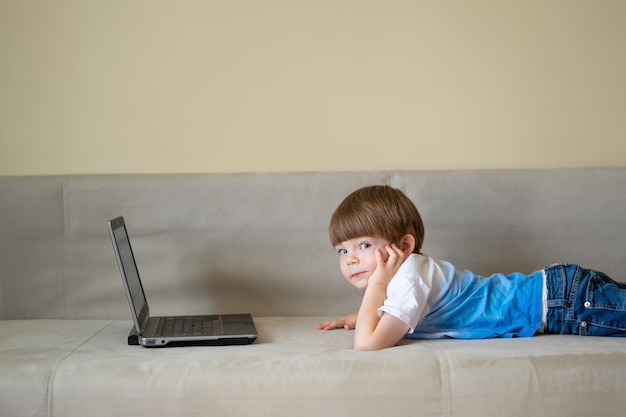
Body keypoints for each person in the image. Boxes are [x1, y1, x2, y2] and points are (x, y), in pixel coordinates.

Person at [316, 185, 626, 351]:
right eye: (342, 250)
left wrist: (375, 286)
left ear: (405, 246)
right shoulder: (409, 277)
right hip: (562, 291)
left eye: (364, 246)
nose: (350, 259)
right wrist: (358, 316)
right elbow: (388, 314)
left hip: (563, 304)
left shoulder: (410, 277)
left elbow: (369, 344)